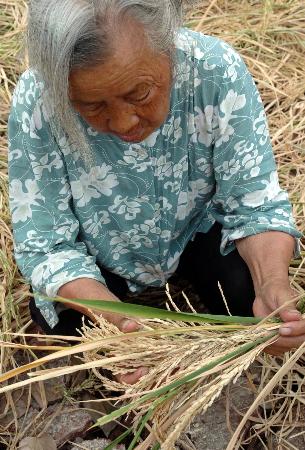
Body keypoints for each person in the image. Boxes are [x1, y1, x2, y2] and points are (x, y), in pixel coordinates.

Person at [8, 0, 304, 384]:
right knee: (74, 329)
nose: (123, 122)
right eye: (91, 106)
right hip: (98, 256)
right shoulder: (39, 100)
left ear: (167, 45)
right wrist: (118, 323)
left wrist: (271, 282)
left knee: (252, 305)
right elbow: (46, 244)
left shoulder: (215, 71)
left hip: (195, 233)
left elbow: (253, 204)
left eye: (139, 94)